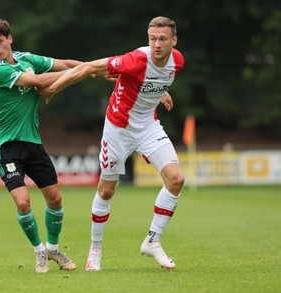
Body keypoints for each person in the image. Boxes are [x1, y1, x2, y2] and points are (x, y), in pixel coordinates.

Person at [41, 16, 185, 271]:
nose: (157, 45)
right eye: (152, 39)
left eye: (162, 39)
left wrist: (160, 91)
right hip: (118, 128)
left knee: (176, 179)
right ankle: (95, 248)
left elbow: (148, 79)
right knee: (107, 190)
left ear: (174, 41)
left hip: (149, 126)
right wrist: (55, 87)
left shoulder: (178, 62)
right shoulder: (136, 59)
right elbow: (88, 68)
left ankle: (153, 241)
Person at [0, 18, 81, 273]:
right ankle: (39, 252)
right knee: (23, 202)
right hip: (7, 147)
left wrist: (99, 70)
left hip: (33, 143)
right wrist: (83, 73)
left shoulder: (26, 59)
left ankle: (53, 249)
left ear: (10, 39)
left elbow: (66, 64)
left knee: (55, 199)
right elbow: (41, 83)